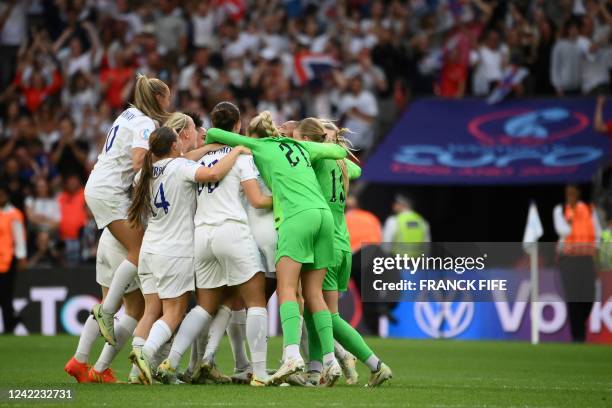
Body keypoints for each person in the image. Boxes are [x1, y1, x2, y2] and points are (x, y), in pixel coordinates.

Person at [205, 111, 347, 386]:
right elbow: (337, 153)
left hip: (296, 218)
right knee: (313, 293)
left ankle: (292, 356)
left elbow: (214, 134)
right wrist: (329, 137)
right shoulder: (303, 146)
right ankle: (330, 361)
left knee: (286, 289)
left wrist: (239, 146)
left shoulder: (260, 146)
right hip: (325, 218)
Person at [157, 102, 272, 386]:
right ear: (238, 128)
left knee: (205, 307)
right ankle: (259, 372)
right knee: (255, 300)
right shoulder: (241, 156)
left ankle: (171, 360)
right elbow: (256, 200)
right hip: (231, 231)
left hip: (202, 236)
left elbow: (186, 160)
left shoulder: (195, 159)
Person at [128, 126, 250, 385]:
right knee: (174, 313)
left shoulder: (143, 174)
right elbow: (214, 172)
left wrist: (207, 149)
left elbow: (183, 161)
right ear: (174, 146)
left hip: (149, 249)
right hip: (175, 250)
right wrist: (237, 150)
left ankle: (135, 374)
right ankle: (146, 355)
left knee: (151, 311)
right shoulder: (181, 168)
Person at [295, 118, 392, 387]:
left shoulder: (316, 161)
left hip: (323, 242)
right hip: (343, 243)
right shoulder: (342, 164)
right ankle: (315, 372)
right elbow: (357, 170)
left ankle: (374, 364)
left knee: (325, 313)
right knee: (319, 313)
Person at [84, 74, 171, 347]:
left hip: (100, 185)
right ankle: (107, 310)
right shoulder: (145, 122)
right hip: (110, 190)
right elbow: (137, 161)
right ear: (158, 98)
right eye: (167, 97)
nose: (169, 102)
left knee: (136, 249)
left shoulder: (128, 115)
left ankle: (88, 353)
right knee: (140, 247)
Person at [553, 184, 601, 342]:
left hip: (586, 259)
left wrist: (597, 251)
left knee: (589, 297)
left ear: (578, 193)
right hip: (569, 260)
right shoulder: (560, 210)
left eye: (573, 193)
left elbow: (597, 233)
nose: (570, 196)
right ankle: (578, 337)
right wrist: (571, 215)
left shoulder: (589, 209)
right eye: (568, 194)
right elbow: (563, 231)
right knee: (573, 298)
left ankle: (580, 327)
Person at [0, 183, 26, 334]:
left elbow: (19, 237)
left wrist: (21, 257)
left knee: (5, 295)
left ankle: (9, 325)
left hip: (7, 260)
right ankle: (13, 320)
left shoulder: (14, 213)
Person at [24, 178, 60, 266]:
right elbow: (31, 218)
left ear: (47, 187)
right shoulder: (30, 200)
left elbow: (57, 222)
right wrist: (47, 220)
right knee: (44, 235)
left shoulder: (53, 201)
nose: (41, 189)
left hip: (50, 230)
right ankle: (49, 251)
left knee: (44, 235)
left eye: (43, 186)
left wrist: (41, 218)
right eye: (38, 187)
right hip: (34, 229)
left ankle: (38, 256)